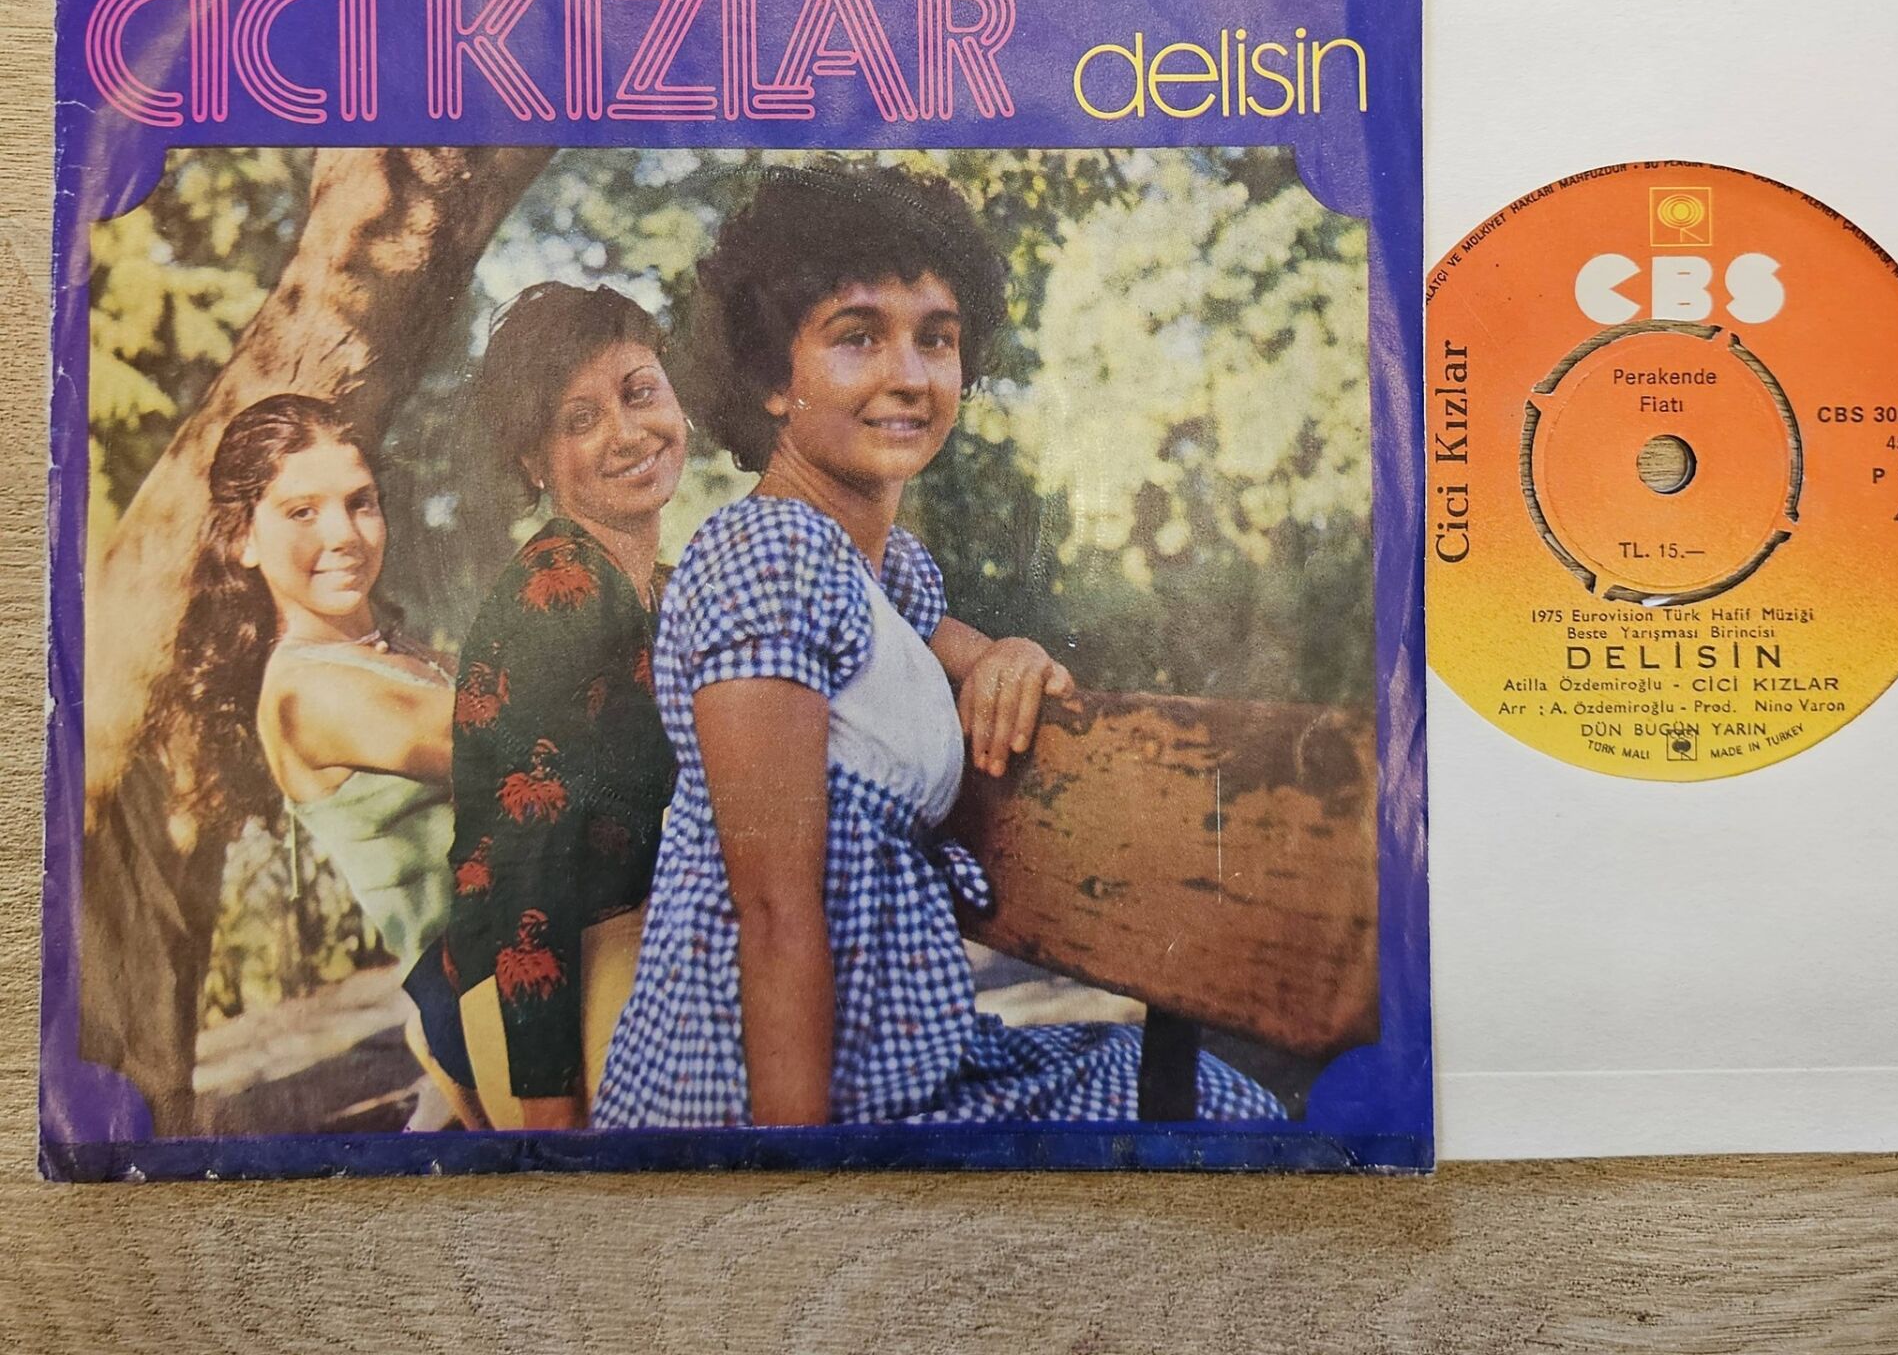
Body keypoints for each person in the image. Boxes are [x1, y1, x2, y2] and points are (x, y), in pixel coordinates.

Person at [593, 163, 1282, 1128]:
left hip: (909, 1065)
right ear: (773, 379)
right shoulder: (771, 555)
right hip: (770, 1107)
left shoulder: (874, 572)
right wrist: (799, 1185)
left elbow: (944, 646)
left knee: (1212, 1098)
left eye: (937, 338)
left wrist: (1013, 654)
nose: (910, 376)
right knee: (1219, 1115)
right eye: (857, 336)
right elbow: (774, 915)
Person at [144, 393, 482, 1129]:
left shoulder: (400, 652)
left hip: (519, 964)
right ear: (244, 538)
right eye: (302, 512)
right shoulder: (307, 691)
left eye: (361, 503)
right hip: (484, 995)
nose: (344, 535)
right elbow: (521, 744)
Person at [445, 283, 686, 1129]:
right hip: (543, 999)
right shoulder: (562, 588)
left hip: (622, 946)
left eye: (640, 392)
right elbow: (528, 857)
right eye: (580, 419)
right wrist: (551, 1114)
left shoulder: (659, 585)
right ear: (534, 462)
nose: (628, 432)